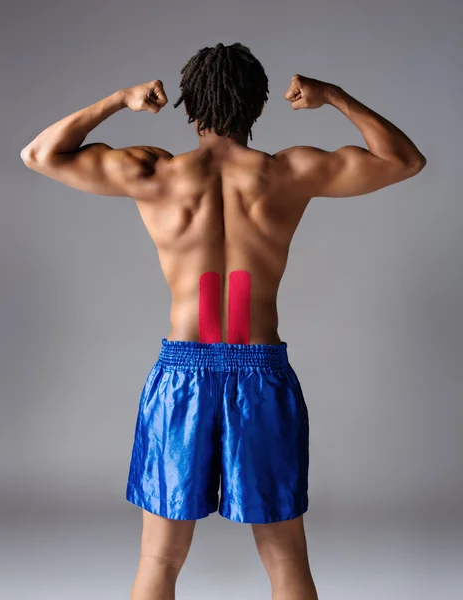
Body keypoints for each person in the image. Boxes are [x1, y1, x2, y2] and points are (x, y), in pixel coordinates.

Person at [21, 42, 426, 600]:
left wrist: (119, 100)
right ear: (258, 108)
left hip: (182, 375)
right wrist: (333, 97)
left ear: (190, 106)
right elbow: (404, 160)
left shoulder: (154, 172)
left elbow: (40, 155)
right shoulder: (289, 172)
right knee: (286, 562)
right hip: (260, 373)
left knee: (160, 561)